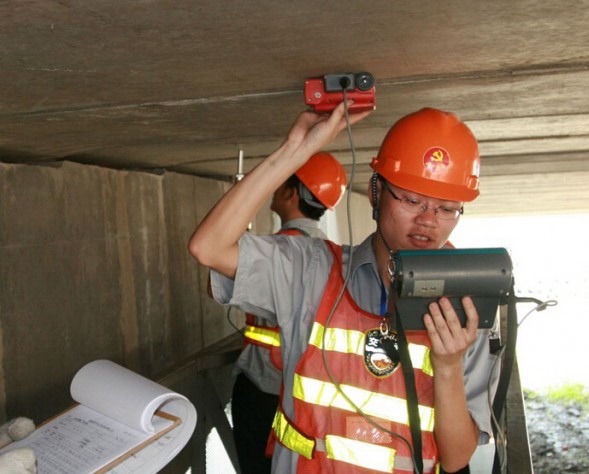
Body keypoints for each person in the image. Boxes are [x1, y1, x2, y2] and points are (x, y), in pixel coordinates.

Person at [189, 103, 499, 473]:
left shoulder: (467, 306)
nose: (427, 221)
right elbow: (208, 248)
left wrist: (447, 366)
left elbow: (456, 458)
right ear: (375, 191)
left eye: (447, 209)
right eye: (412, 200)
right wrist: (295, 153)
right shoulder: (313, 269)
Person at [231, 151, 348, 473]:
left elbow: (215, 270)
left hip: (263, 385)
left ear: (291, 192)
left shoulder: (278, 254)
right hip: (305, 390)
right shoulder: (331, 254)